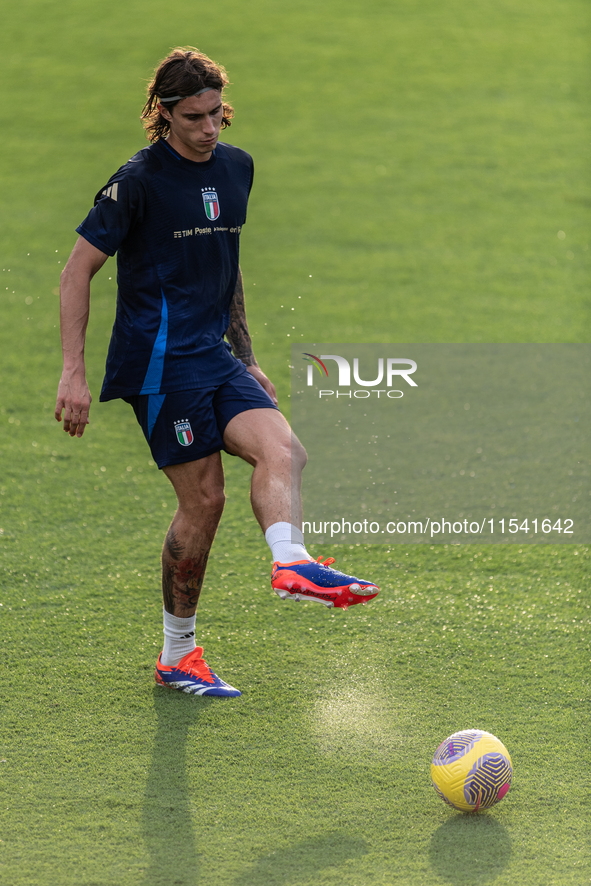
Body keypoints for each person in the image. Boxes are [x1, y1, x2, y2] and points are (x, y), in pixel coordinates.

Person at [55, 47, 379, 698]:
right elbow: (76, 270)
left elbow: (226, 272)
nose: (208, 129)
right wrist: (73, 372)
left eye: (216, 116)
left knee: (285, 449)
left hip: (215, 353)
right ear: (165, 114)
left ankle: (292, 565)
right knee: (203, 503)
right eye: (194, 118)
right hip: (157, 363)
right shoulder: (136, 182)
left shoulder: (236, 169)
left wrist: (249, 355)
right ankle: (179, 655)